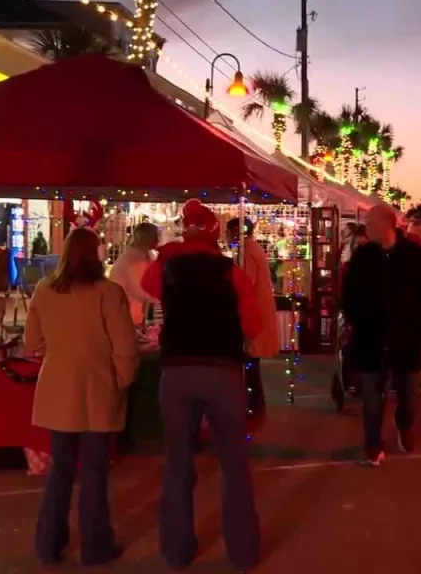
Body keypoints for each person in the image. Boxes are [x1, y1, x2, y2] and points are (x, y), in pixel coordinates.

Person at [141, 200, 262, 572]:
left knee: (178, 466)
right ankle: (242, 552)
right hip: (222, 372)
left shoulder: (167, 265)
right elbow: (253, 326)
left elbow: (148, 287)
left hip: (177, 372)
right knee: (234, 466)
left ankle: (177, 551)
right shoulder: (231, 272)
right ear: (213, 232)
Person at [24, 228, 140, 567]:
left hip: (58, 391)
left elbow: (33, 342)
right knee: (94, 474)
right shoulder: (109, 293)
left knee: (60, 471)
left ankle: (48, 544)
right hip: (99, 390)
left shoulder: (45, 291)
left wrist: (59, 356)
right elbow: (125, 348)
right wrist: (121, 380)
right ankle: (95, 546)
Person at [342, 204, 421, 466]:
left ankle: (404, 425)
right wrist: (353, 320)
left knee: (407, 392)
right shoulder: (363, 256)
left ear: (386, 225)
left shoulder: (413, 255)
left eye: (371, 224)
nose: (367, 229)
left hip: (404, 336)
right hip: (370, 337)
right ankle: (373, 445)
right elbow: (349, 294)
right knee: (372, 396)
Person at [227, 217, 279, 415]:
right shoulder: (252, 247)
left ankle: (253, 401)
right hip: (257, 307)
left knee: (250, 355)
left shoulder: (247, 250)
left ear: (236, 232)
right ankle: (254, 400)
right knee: (251, 358)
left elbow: (246, 281)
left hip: (252, 309)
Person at [110, 223, 160, 327]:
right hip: (130, 314)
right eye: (156, 237)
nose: (158, 241)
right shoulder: (136, 258)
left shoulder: (134, 255)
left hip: (128, 311)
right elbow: (139, 289)